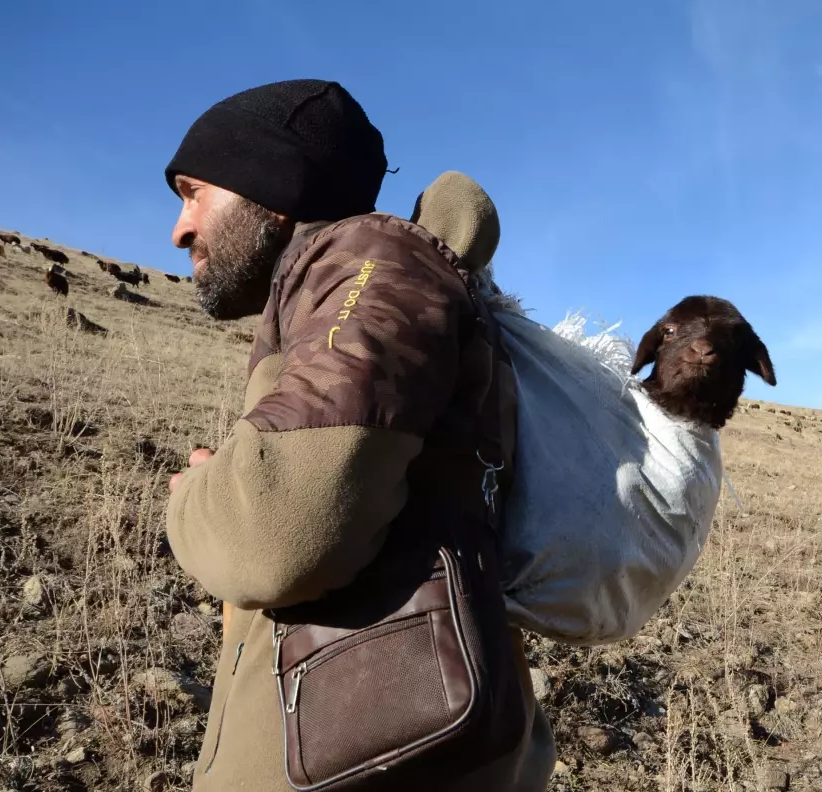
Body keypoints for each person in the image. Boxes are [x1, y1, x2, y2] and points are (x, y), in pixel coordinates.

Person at [162, 79, 555, 791]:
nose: (180, 228)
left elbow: (274, 537)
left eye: (194, 192)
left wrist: (193, 496)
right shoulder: (328, 289)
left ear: (270, 186)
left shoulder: (369, 262)